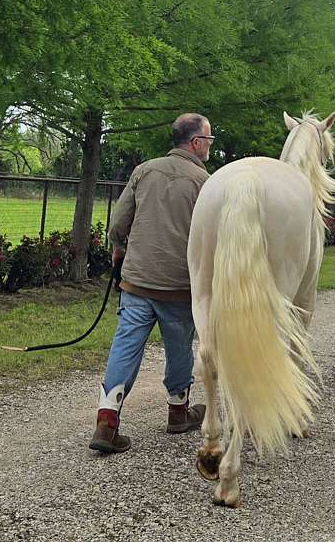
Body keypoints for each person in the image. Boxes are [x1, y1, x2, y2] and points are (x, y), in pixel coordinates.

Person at [89, 113, 214, 454]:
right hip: (179, 285)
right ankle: (177, 412)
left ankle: (107, 421)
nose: (209, 146)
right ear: (196, 143)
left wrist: (119, 250)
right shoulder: (205, 182)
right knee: (178, 347)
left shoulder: (144, 170)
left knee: (126, 346)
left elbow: (118, 225)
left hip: (137, 282)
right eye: (209, 140)